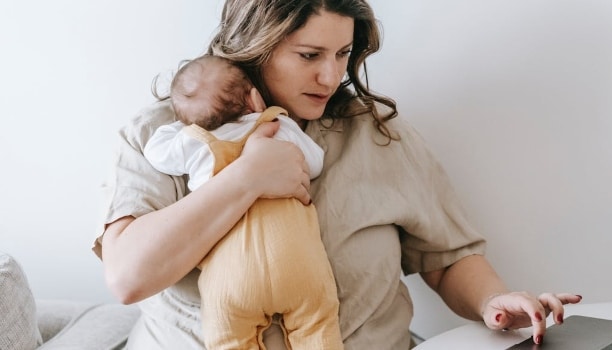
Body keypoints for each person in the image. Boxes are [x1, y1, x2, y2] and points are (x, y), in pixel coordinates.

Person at [93, 0, 582, 349]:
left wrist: (495, 301)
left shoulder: (375, 135)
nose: (331, 77)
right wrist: (245, 180)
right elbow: (129, 277)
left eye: (342, 54)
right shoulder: (164, 136)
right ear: (253, 47)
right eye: (309, 55)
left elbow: (446, 257)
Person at [143, 54, 342, 349]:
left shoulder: (195, 142)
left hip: (232, 279)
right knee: (317, 324)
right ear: (255, 98)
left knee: (229, 338)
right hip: (297, 266)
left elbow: (155, 152)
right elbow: (314, 163)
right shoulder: (277, 126)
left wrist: (185, 125)